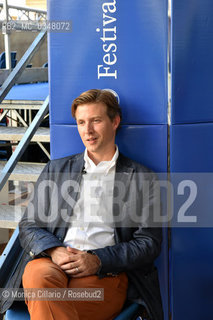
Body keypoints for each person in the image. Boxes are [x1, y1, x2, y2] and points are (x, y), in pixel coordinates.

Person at [13, 89, 163, 319]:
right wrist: (55, 250)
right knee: (36, 274)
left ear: (115, 122)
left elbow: (148, 243)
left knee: (49, 304)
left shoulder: (142, 178)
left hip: (107, 274)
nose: (87, 131)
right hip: (54, 266)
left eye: (96, 121)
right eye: (81, 122)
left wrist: (98, 260)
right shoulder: (56, 169)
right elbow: (29, 225)